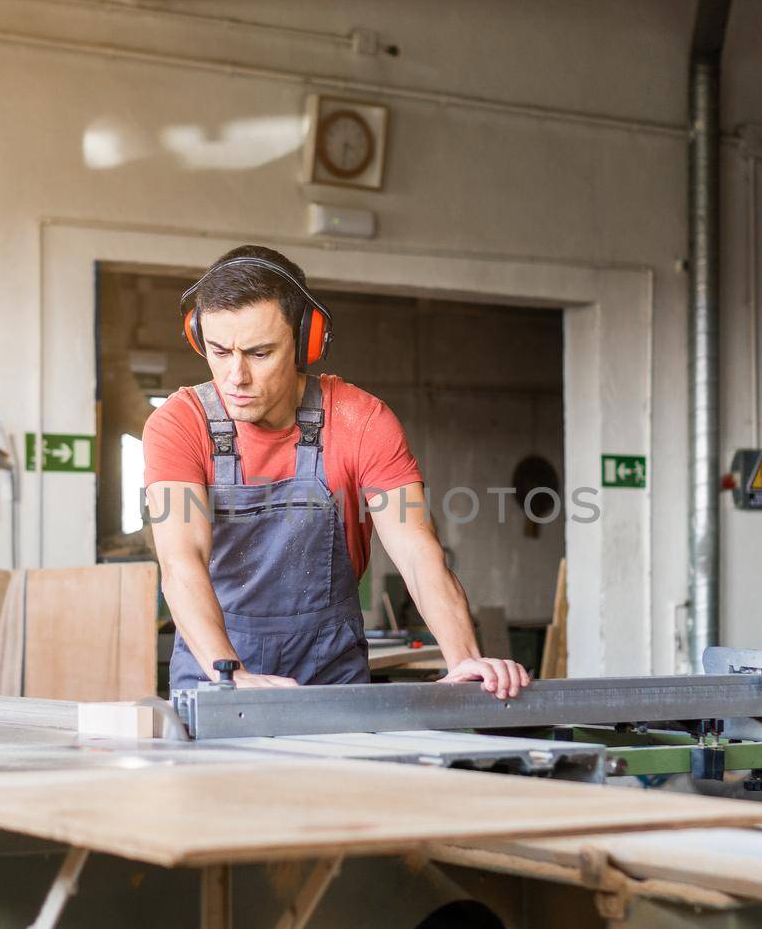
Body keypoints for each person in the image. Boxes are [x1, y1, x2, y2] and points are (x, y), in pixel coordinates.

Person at [144, 245, 530, 700]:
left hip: (329, 668)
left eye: (260, 353)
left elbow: (415, 549)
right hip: (218, 666)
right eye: (219, 351)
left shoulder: (361, 420)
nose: (236, 377)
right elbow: (180, 559)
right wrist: (230, 675)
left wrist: (464, 657)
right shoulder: (179, 423)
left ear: (306, 341)